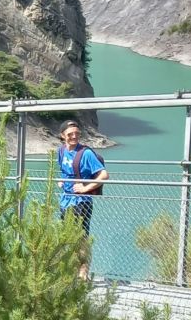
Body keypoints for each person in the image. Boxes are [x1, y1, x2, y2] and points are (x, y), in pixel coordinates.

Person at [57, 119, 108, 280]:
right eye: (70, 134)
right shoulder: (61, 151)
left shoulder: (85, 153)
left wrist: (86, 188)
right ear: (62, 136)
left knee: (81, 238)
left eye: (77, 134)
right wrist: (62, 180)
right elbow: (65, 171)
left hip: (81, 202)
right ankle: (71, 270)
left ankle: (83, 274)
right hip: (65, 200)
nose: (74, 137)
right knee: (67, 236)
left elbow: (104, 175)